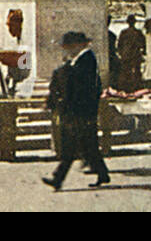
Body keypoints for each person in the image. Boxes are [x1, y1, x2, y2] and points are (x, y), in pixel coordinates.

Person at [42, 31, 110, 190]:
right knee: (88, 146)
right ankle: (102, 174)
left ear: (78, 45)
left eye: (69, 47)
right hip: (82, 110)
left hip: (82, 110)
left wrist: (64, 70)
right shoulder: (80, 60)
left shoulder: (86, 59)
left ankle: (58, 179)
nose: (68, 50)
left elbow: (80, 83)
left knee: (72, 146)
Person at [115, 14, 146, 93]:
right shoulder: (138, 33)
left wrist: (121, 53)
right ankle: (136, 86)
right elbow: (143, 44)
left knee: (127, 71)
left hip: (127, 55)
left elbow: (119, 45)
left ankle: (127, 87)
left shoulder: (124, 32)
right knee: (135, 71)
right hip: (134, 55)